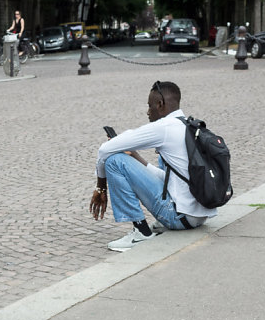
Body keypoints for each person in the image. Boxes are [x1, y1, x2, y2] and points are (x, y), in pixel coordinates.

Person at [89, 80, 216, 252]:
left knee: (114, 161)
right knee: (164, 158)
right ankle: (155, 224)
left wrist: (101, 187)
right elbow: (171, 180)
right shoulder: (187, 125)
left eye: (150, 106)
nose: (148, 112)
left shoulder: (163, 128)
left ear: (160, 104)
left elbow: (104, 150)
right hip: (198, 216)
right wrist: (135, 156)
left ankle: (141, 232)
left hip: (179, 218)